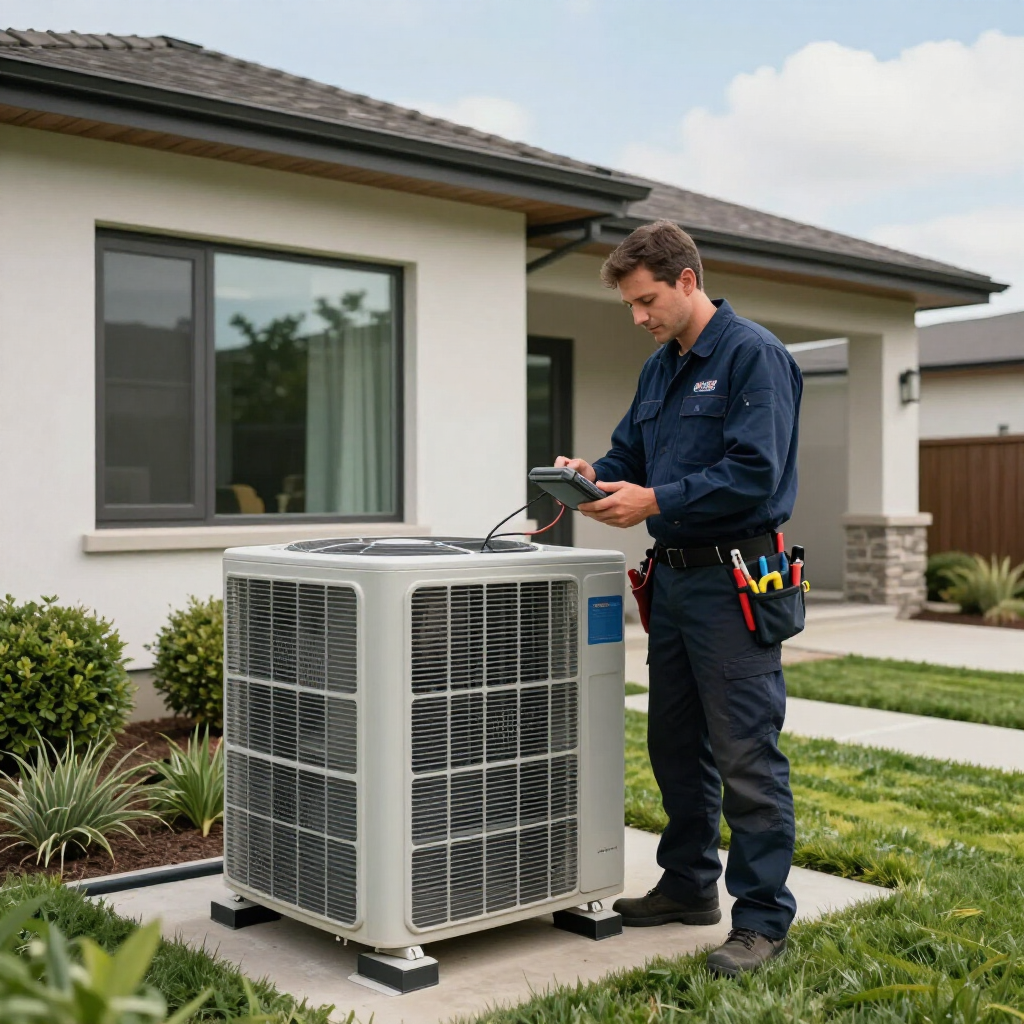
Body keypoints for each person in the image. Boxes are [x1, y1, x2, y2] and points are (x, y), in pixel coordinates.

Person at [555, 219, 803, 977]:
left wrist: (656, 498)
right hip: (675, 578)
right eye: (630, 305)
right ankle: (689, 884)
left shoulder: (752, 356)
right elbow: (630, 453)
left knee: (746, 755)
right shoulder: (661, 367)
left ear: (688, 281)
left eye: (647, 300)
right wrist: (593, 472)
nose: (639, 317)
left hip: (737, 579)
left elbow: (756, 474)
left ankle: (760, 919)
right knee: (676, 743)